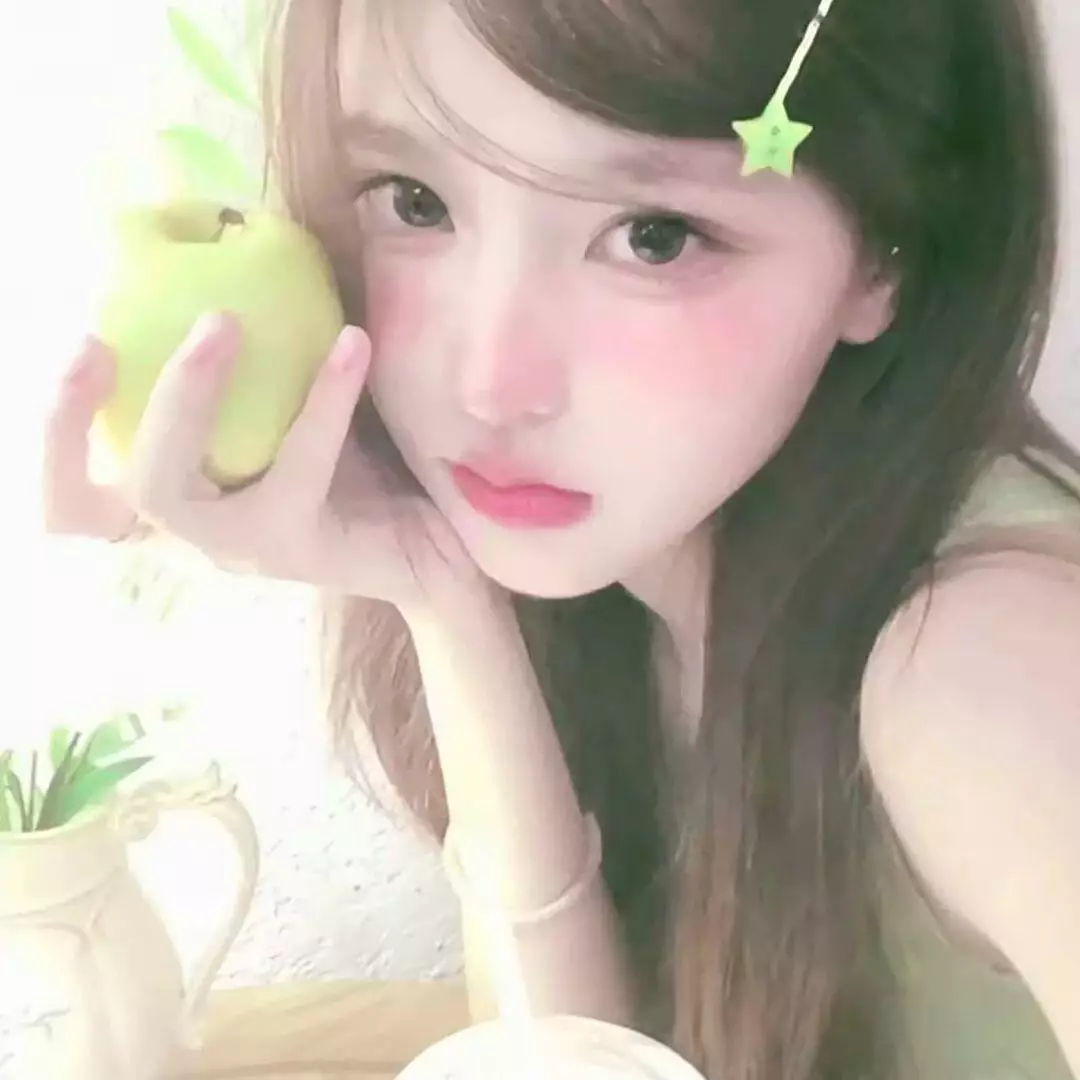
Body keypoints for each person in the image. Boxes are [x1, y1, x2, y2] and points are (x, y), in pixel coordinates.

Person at [40, 0, 1080, 1076]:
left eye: (654, 236)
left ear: (887, 254)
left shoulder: (983, 670)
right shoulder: (646, 575)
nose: (490, 385)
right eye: (415, 202)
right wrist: (438, 592)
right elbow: (567, 1058)